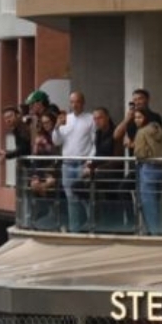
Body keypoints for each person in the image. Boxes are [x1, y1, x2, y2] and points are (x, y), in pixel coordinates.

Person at [54, 92, 95, 232]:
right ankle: (75, 229)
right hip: (67, 164)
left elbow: (94, 142)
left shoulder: (90, 119)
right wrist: (57, 127)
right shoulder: (66, 119)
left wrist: (89, 161)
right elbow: (57, 141)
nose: (74, 105)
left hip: (82, 163)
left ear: (83, 103)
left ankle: (91, 226)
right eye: (72, 102)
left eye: (77, 102)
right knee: (70, 198)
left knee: (84, 197)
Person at [132, 108, 162, 234]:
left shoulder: (142, 132)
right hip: (161, 169)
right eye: (135, 117)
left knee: (148, 204)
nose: (136, 120)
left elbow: (140, 153)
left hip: (147, 168)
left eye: (139, 117)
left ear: (146, 118)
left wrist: (133, 146)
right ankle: (155, 230)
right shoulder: (161, 131)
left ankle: (153, 233)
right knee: (155, 203)